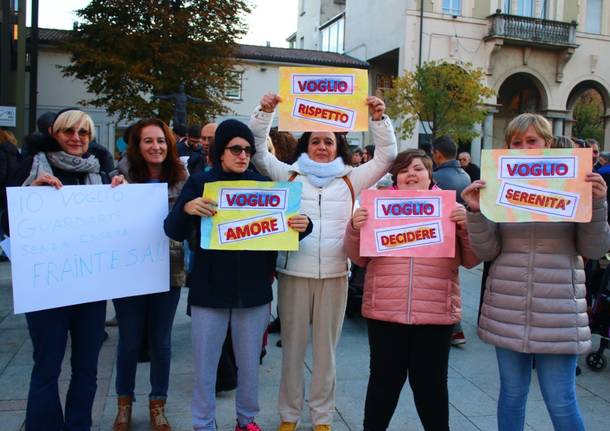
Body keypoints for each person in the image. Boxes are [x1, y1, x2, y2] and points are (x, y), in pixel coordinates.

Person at [249, 93, 397, 431]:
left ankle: (322, 417)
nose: (321, 147)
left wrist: (378, 119)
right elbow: (258, 151)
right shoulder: (287, 175)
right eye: (315, 141)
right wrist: (264, 113)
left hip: (334, 275)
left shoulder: (351, 178)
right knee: (292, 351)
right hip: (293, 274)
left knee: (326, 353)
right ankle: (289, 415)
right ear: (305, 145)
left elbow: (387, 156)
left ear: (338, 145)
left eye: (328, 141)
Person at [461, 113, 610, 431]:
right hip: (509, 308)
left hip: (557, 311)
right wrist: (476, 211)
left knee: (561, 401)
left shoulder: (574, 182)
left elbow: (595, 251)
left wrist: (598, 205)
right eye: (517, 142)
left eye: (532, 141)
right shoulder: (497, 184)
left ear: (548, 144)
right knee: (511, 396)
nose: (525, 148)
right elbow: (488, 252)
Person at [164, 119, 312, 431]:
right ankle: (203, 423)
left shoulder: (263, 185)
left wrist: (303, 227)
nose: (243, 154)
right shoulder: (200, 183)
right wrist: (187, 208)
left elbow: (280, 233)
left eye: (247, 149)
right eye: (235, 149)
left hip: (253, 291)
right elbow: (172, 230)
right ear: (220, 152)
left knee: (249, 366)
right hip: (210, 291)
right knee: (206, 366)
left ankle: (246, 420)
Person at [4, 109, 126, 430]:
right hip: (47, 288)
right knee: (47, 367)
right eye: (68, 131)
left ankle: (78, 425)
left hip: (89, 287)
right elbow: (7, 220)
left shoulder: (99, 172)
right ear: (55, 134)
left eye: (83, 133)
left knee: (87, 368)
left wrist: (120, 196)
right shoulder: (31, 165)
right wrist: (30, 195)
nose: (76, 138)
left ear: (90, 138)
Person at [344, 149, 480, 431]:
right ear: (396, 176)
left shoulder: (450, 209)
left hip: (434, 314)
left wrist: (466, 227)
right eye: (404, 169)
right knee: (383, 386)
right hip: (385, 312)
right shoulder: (377, 206)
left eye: (418, 168)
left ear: (430, 175)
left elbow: (471, 260)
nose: (411, 174)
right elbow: (358, 259)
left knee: (431, 389)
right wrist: (355, 228)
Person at [111, 118, 188, 431]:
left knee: (161, 342)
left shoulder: (183, 178)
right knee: (129, 341)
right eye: (148, 141)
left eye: (161, 141)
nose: (155, 147)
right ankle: (124, 405)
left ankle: (158, 404)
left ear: (169, 145)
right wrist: (114, 192)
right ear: (137, 146)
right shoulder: (119, 176)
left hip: (167, 269)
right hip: (128, 270)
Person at [431, 135, 471, 346]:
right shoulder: (465, 175)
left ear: (437, 154)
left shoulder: (436, 178)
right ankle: (456, 328)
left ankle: (453, 328)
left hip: (437, 238)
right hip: (457, 239)